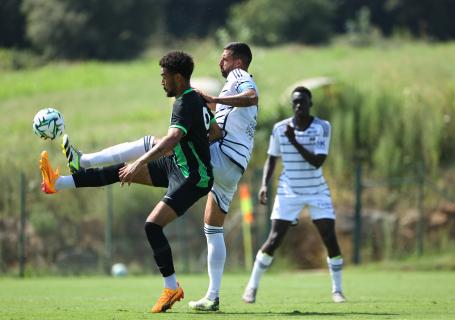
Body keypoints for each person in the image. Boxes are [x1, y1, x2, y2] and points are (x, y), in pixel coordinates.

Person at [60, 42, 259, 311]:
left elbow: (251, 97)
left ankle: (83, 160)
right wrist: (207, 118)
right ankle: (212, 296)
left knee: (155, 142)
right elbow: (218, 130)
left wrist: (214, 101)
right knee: (213, 229)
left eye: (224, 59)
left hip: (221, 155)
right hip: (234, 167)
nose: (220, 64)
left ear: (237, 62)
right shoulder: (212, 95)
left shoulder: (238, 76)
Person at [39, 51, 214, 313]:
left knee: (152, 226)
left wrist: (141, 162)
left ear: (178, 77)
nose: (161, 81)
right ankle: (58, 183)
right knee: (119, 171)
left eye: (164, 76)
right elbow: (216, 131)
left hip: (194, 177)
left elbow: (172, 138)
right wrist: (196, 143)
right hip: (179, 166)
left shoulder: (184, 104)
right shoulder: (194, 99)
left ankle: (171, 288)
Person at [242, 86, 347, 304]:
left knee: (329, 238)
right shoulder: (280, 128)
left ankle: (337, 290)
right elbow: (272, 158)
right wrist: (264, 185)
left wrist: (294, 140)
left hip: (317, 190)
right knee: (274, 239)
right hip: (289, 191)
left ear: (310, 104)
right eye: (295, 102)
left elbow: (317, 161)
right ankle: (251, 287)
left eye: (303, 102)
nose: (299, 105)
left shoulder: (322, 127)